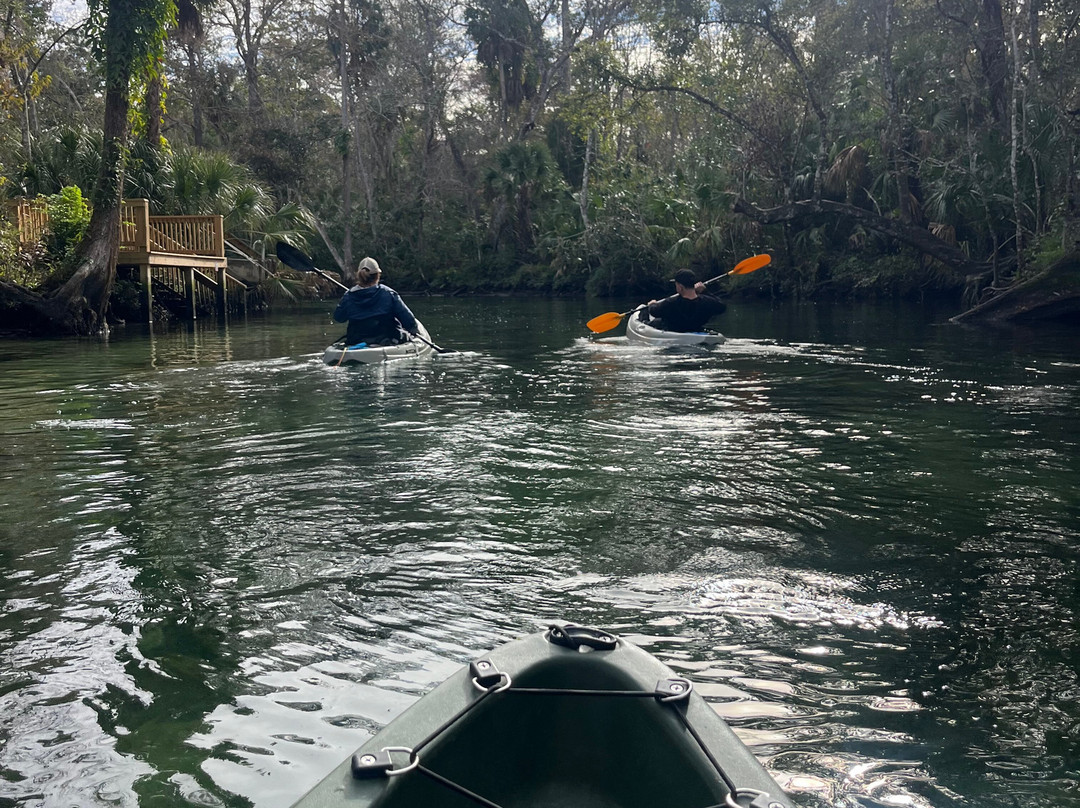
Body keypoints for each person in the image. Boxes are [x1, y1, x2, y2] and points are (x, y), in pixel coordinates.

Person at [333, 256, 419, 345]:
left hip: (356, 341)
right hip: (387, 341)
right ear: (377, 275)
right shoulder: (388, 293)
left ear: (359, 275)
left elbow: (339, 318)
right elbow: (409, 321)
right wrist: (413, 331)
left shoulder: (349, 296)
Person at [644, 268, 727, 332]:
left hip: (674, 334)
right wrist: (705, 292)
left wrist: (652, 304)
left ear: (680, 287)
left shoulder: (671, 303)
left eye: (676, 285)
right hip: (696, 331)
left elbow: (654, 312)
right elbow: (722, 307)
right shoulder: (707, 302)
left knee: (654, 322)